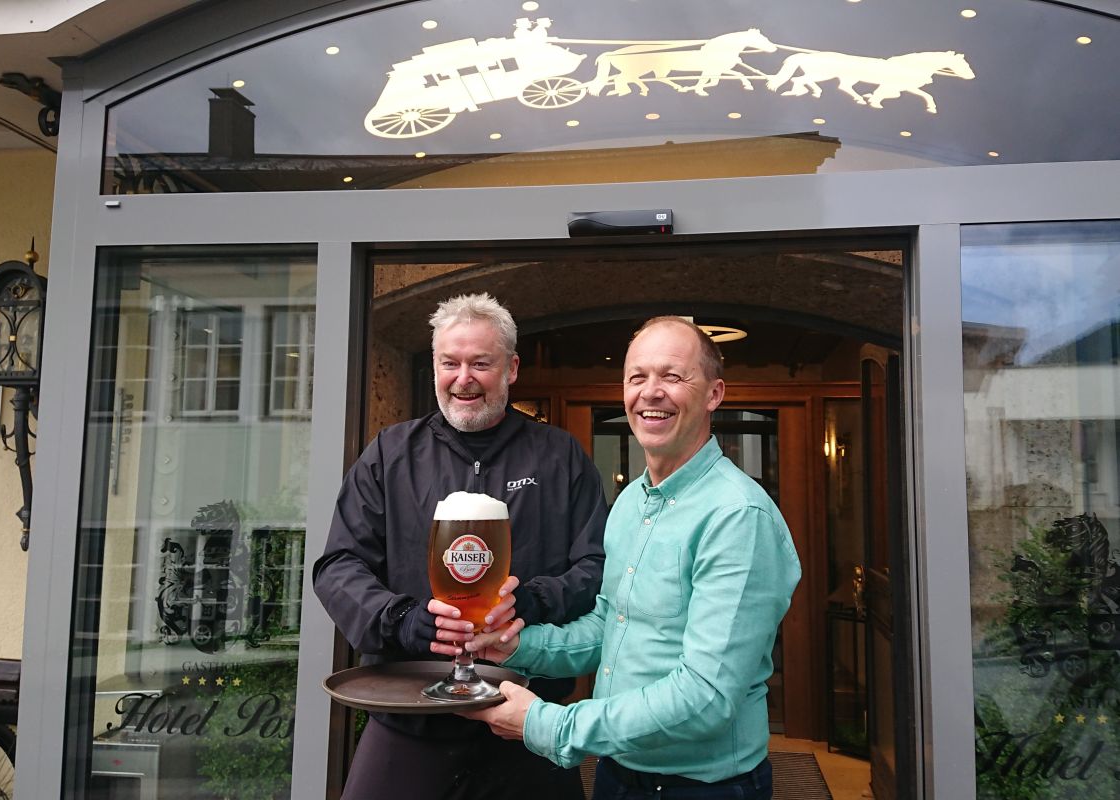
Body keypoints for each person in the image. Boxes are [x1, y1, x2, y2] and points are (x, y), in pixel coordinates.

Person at [464, 316, 801, 800]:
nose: (651, 392)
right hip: (618, 774)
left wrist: (549, 724)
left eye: (673, 376)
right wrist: (516, 647)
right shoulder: (630, 502)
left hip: (703, 789)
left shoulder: (738, 516)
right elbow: (610, 626)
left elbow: (706, 697)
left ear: (714, 394)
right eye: (637, 377)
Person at [313, 292, 607, 800]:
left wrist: (532, 602)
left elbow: (596, 566)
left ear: (512, 368)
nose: (463, 378)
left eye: (481, 364)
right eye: (450, 363)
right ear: (434, 366)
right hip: (408, 721)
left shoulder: (559, 456)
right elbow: (338, 566)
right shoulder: (389, 454)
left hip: (523, 722)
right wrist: (403, 620)